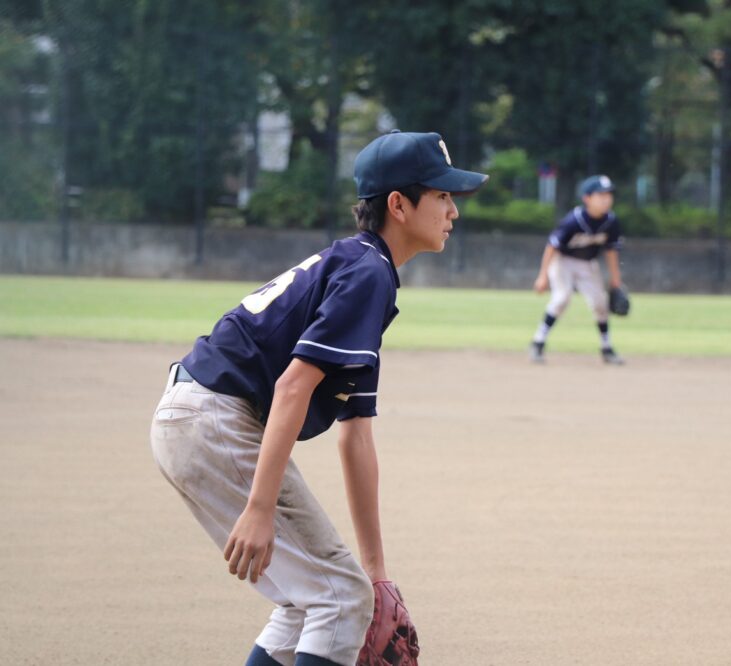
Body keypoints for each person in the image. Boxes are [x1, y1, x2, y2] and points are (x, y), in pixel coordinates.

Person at [150, 130, 488, 666]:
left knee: (309, 599)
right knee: (340, 600)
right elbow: (291, 386)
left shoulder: (363, 269)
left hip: (197, 417)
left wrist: (377, 574)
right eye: (442, 195)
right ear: (399, 205)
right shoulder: (368, 272)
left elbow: (356, 436)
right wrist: (260, 508)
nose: (453, 210)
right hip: (217, 418)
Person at [530, 174, 625, 365]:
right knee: (562, 298)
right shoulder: (574, 220)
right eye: (601, 195)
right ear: (587, 198)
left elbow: (611, 251)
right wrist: (542, 276)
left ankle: (606, 348)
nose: (607, 199)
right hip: (562, 262)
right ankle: (538, 342)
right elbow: (551, 246)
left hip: (587, 265)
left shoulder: (611, 221)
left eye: (609, 195)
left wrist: (616, 279)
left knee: (600, 303)